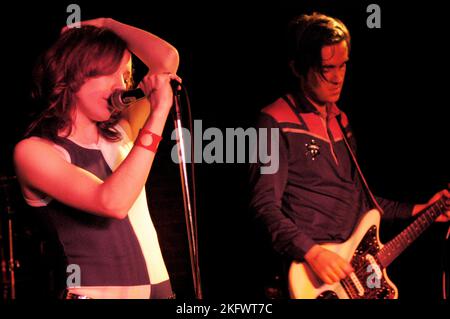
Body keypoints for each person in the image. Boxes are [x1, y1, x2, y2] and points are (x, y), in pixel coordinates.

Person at [248, 12, 449, 298]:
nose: (337, 77)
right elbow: (264, 207)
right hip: (311, 276)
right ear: (297, 68)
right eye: (325, 68)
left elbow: (363, 201)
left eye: (343, 66)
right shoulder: (273, 121)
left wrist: (423, 210)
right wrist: (312, 252)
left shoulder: (341, 122)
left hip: (352, 272)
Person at [13, 18, 181, 299]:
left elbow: (167, 59)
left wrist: (107, 23)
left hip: (160, 291)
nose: (121, 86)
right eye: (111, 73)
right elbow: (112, 202)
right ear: (76, 72)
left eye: (125, 76)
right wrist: (158, 114)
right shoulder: (34, 151)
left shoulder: (121, 129)